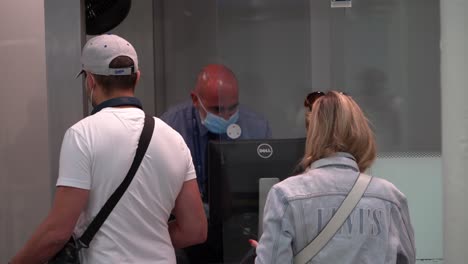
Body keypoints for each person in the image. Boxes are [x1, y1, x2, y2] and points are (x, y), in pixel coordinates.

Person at [10, 34, 207, 263]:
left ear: (90, 80)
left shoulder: (83, 135)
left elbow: (57, 232)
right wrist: (147, 241)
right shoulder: (174, 139)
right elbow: (195, 230)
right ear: (137, 78)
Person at [252, 91, 416, 263]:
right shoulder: (390, 198)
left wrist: (266, 254)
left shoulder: (285, 195)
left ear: (313, 135)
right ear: (361, 132)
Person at [161, 64, 271, 198]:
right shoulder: (171, 126)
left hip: (240, 210)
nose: (226, 117)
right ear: (195, 100)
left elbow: (265, 180)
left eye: (232, 108)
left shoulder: (256, 128)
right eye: (217, 109)